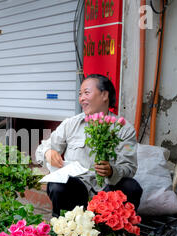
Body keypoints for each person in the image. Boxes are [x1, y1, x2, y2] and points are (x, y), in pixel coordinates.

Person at [35, 74, 142, 217]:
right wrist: (48, 152)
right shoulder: (71, 124)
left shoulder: (124, 129)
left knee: (132, 187)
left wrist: (112, 171)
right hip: (78, 190)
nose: (81, 99)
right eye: (80, 94)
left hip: (108, 190)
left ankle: (115, 228)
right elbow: (42, 149)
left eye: (86, 93)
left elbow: (130, 167)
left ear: (104, 95)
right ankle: (63, 227)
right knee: (56, 185)